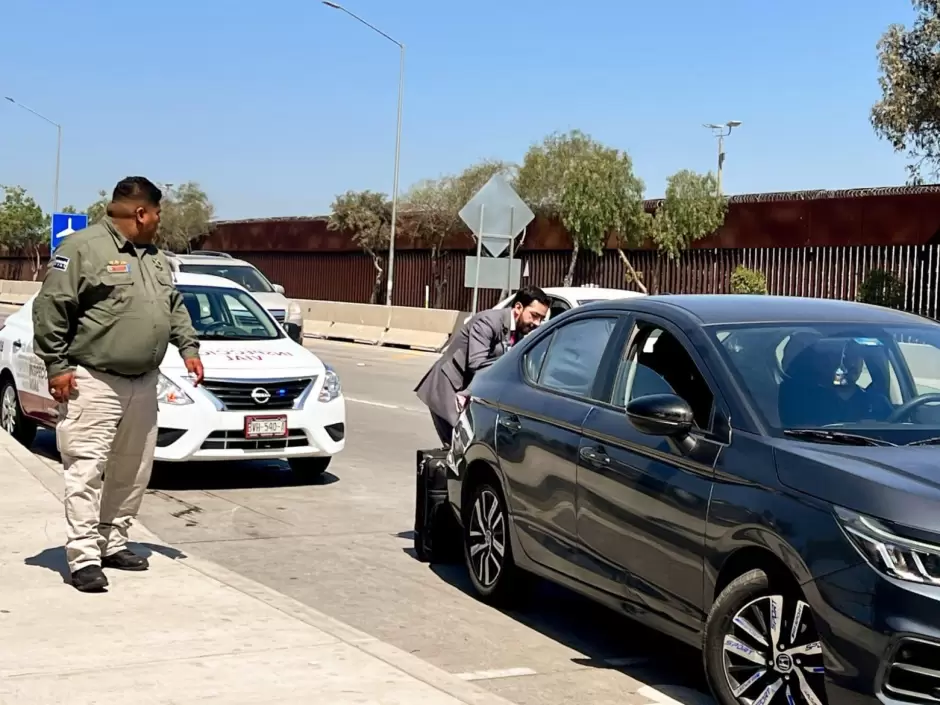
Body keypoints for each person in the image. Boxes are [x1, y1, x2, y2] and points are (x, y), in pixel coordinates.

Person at [32, 176, 204, 593]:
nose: (160, 220)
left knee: (133, 469)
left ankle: (113, 541)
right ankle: (84, 557)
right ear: (141, 213)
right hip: (94, 381)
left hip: (144, 382)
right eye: (158, 213)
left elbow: (173, 305)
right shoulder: (81, 248)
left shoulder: (155, 257)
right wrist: (57, 366)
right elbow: (51, 308)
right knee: (86, 470)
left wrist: (188, 347)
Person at [415, 286, 550, 446]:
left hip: (469, 392)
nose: (537, 323)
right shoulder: (488, 322)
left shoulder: (520, 332)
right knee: (459, 446)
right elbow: (477, 363)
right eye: (534, 316)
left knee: (467, 447)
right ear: (518, 307)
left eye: (541, 318)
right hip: (449, 389)